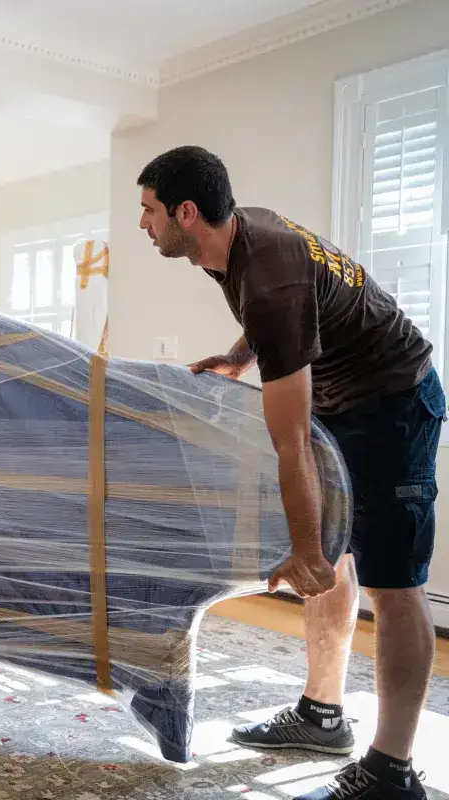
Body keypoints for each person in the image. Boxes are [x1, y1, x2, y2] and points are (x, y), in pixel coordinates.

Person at [137, 146, 444, 800]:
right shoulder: (239, 236)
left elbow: (291, 442)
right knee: (335, 557)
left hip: (394, 402)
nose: (144, 223)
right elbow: (279, 313)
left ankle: (393, 770)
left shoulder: (269, 279)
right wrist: (238, 355)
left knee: (394, 586)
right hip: (346, 399)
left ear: (186, 213)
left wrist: (304, 550)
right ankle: (323, 715)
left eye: (150, 210)